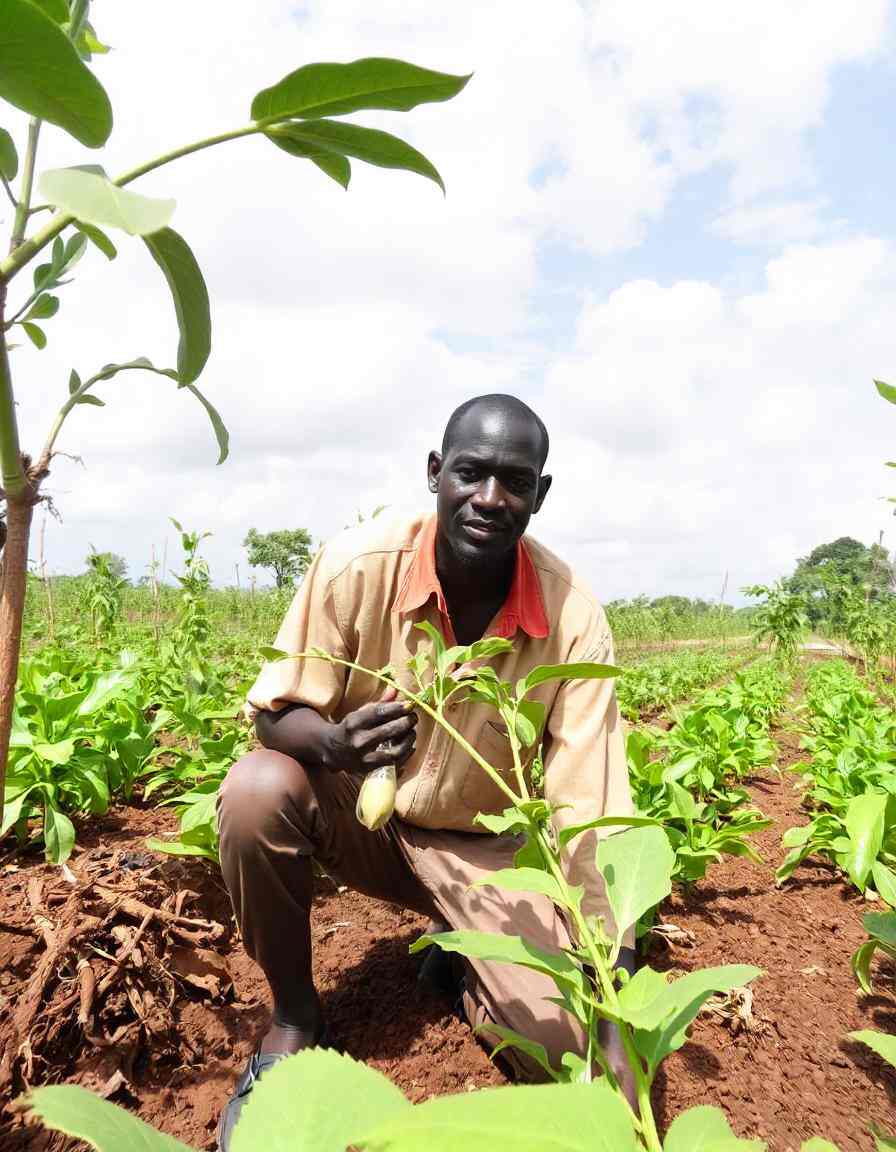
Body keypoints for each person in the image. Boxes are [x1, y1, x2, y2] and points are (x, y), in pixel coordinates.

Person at [216, 394, 635, 1149]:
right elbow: (274, 714)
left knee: (562, 1048)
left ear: (541, 496)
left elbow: (589, 806)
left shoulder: (574, 618)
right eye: (470, 473)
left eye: (514, 481)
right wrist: (337, 746)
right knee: (256, 790)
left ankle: (460, 957)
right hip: (366, 818)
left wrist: (615, 1016)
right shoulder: (358, 565)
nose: (489, 498)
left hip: (483, 851)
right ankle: (293, 1015)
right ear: (435, 473)